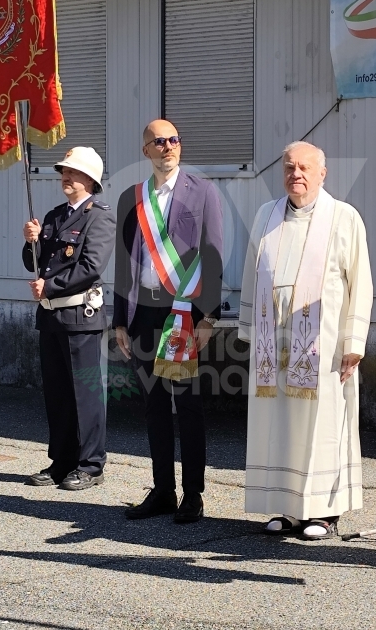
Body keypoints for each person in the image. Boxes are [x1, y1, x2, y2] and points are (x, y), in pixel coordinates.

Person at [238, 142, 373, 540]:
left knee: (321, 425)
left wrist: (354, 340)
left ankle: (322, 511)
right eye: (289, 167)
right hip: (273, 343)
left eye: (305, 168)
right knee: (277, 423)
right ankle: (285, 506)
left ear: (322, 173)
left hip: (324, 344)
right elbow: (252, 270)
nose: (296, 173)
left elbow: (359, 282)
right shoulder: (267, 215)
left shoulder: (343, 218)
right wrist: (250, 327)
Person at [114, 119, 223, 523]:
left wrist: (210, 315)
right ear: (146, 151)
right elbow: (124, 263)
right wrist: (120, 320)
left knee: (187, 405)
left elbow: (213, 254)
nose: (167, 147)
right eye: (158, 142)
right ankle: (163, 490)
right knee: (153, 405)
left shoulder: (204, 191)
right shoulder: (133, 197)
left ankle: (192, 495)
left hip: (184, 312)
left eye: (173, 140)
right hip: (144, 312)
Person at [22, 147, 115, 490]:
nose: (66, 176)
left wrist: (50, 286)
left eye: (73, 172)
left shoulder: (99, 215)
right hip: (51, 317)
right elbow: (37, 261)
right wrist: (30, 241)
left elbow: (91, 266)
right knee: (58, 393)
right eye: (63, 170)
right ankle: (61, 461)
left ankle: (91, 464)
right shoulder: (53, 215)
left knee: (86, 393)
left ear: (90, 178)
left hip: (81, 316)